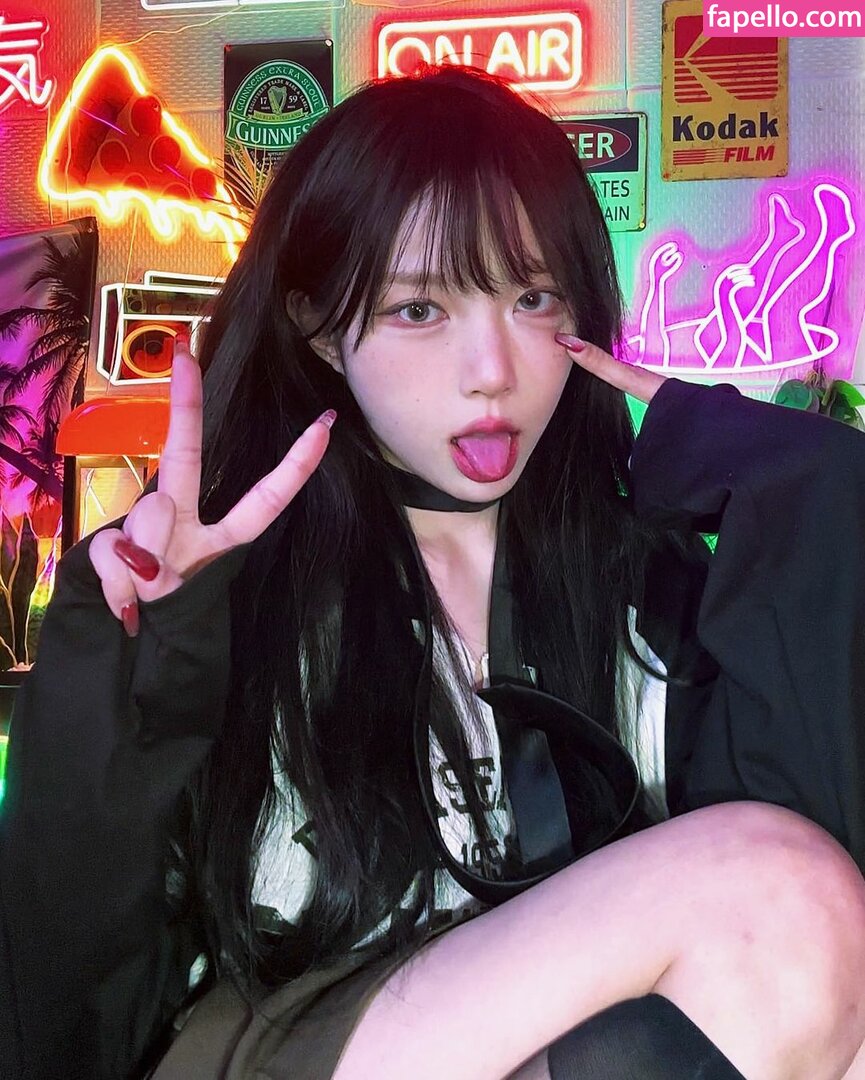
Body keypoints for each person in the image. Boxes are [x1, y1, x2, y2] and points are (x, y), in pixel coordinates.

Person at [2, 65, 865, 1080]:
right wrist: (150, 659)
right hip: (288, 1035)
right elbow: (69, 962)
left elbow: (810, 894)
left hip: (586, 1039)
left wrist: (788, 479)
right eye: (420, 310)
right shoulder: (235, 583)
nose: (491, 370)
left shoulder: (634, 580)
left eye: (531, 297)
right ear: (322, 330)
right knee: (778, 892)